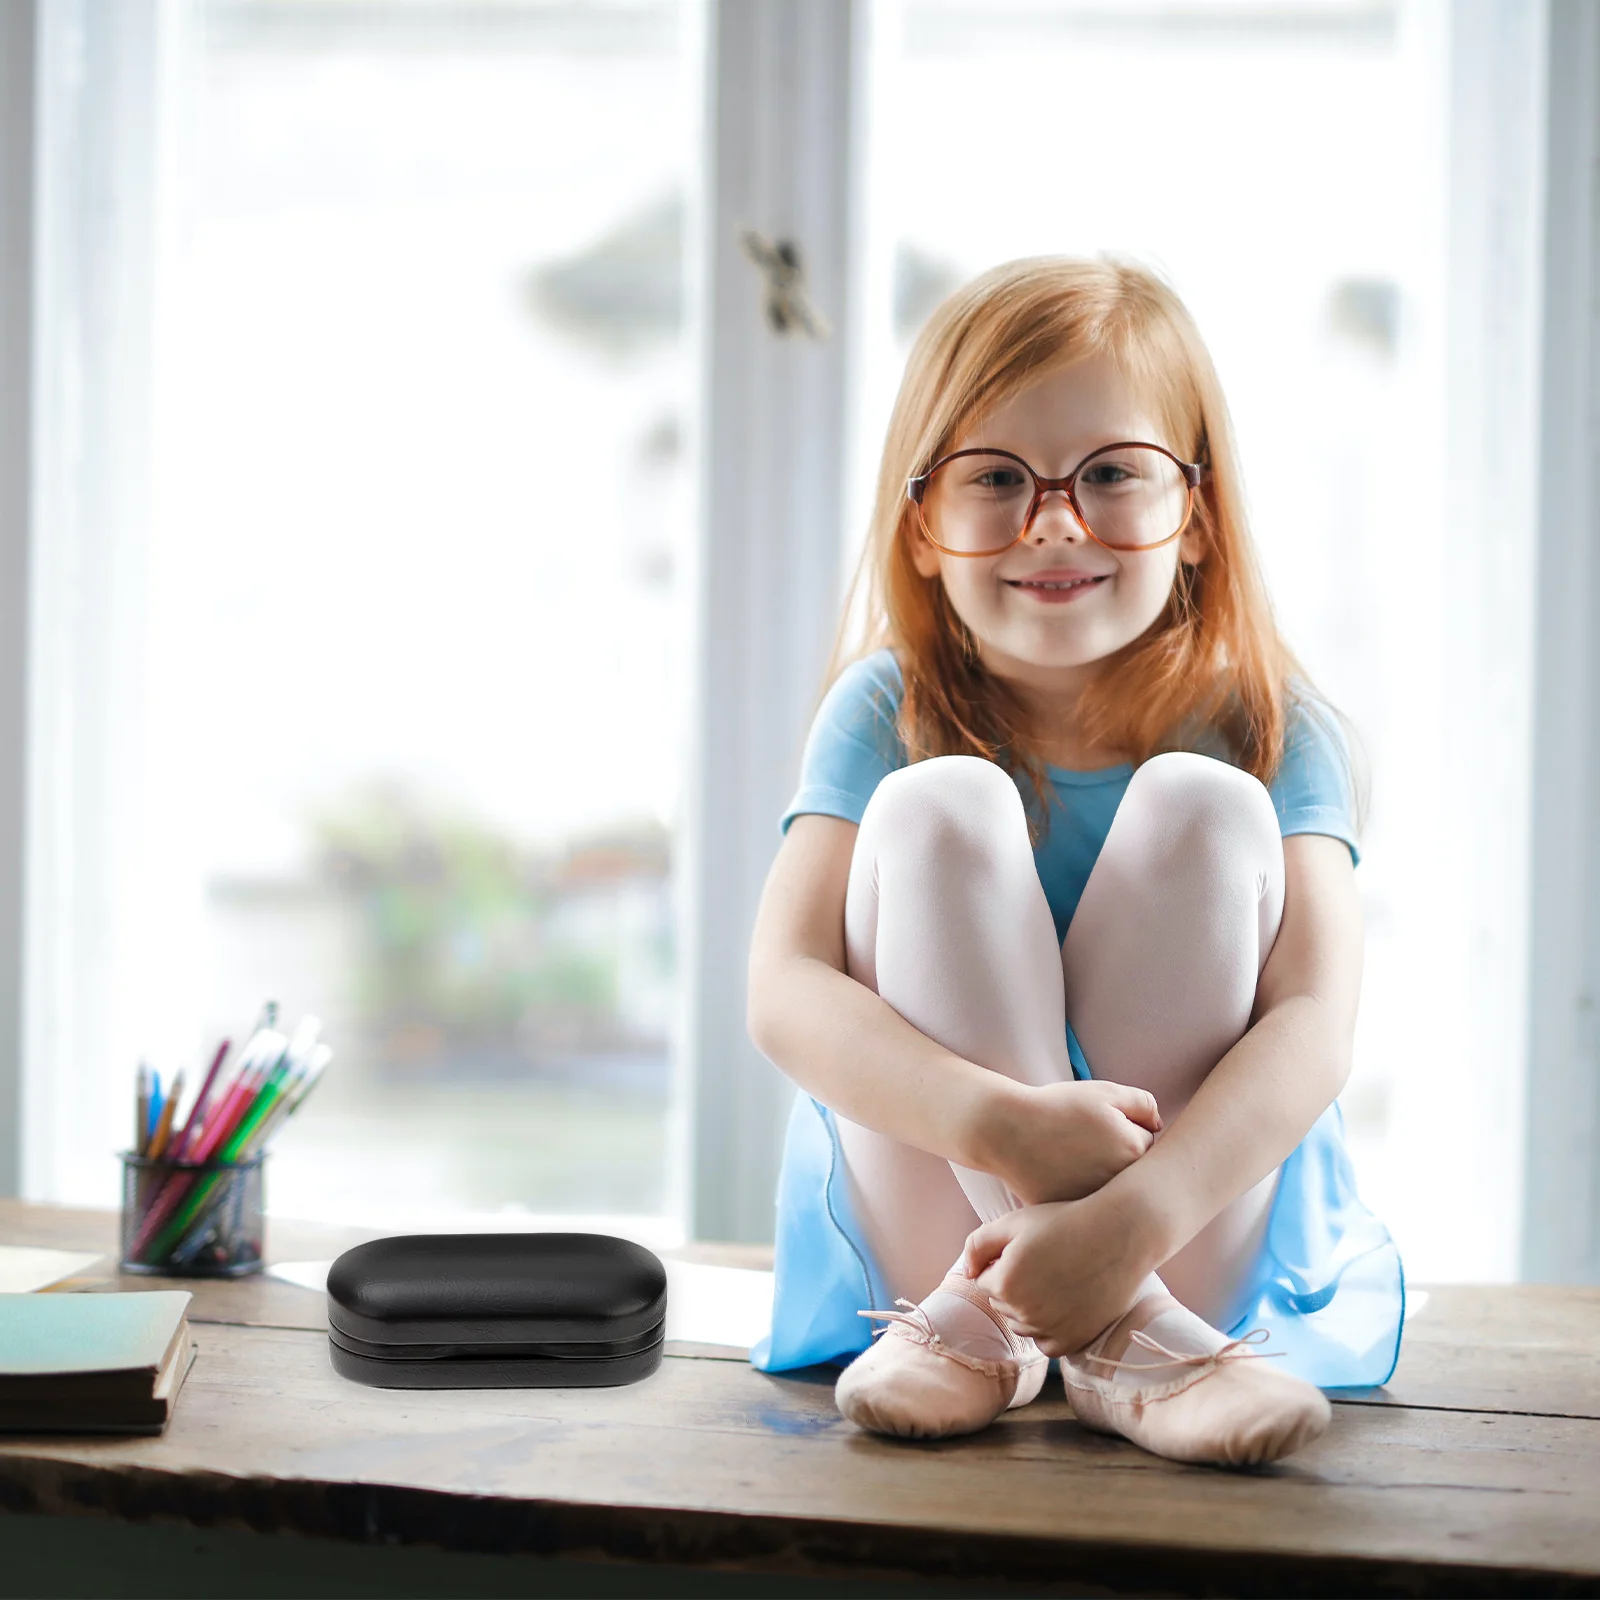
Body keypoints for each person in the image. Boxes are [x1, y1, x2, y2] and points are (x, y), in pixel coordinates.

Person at [744, 256, 1403, 1469]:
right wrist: (999, 1124)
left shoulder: (1270, 724)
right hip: (935, 1224)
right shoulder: (881, 707)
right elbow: (783, 990)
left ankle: (1101, 1307)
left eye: (1110, 474)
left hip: (1182, 1216)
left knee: (1204, 807)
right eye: (995, 479)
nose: (1054, 521)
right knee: (937, 806)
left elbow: (1314, 1023)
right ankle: (1131, 1345)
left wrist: (1136, 1216)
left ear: (1196, 517)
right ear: (924, 527)